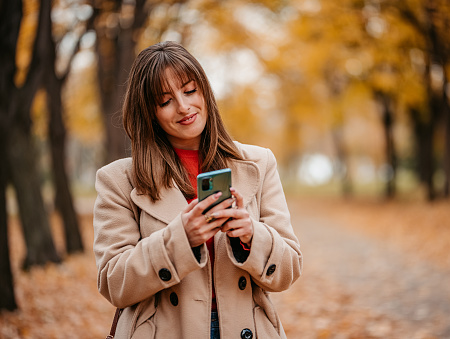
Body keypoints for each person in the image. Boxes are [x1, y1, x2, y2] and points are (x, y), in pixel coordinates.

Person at [93, 41, 302, 339]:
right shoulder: (119, 180)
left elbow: (290, 269)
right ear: (149, 113)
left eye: (189, 91)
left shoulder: (258, 163)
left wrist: (250, 235)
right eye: (165, 101)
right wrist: (181, 239)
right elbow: (113, 283)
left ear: (205, 91)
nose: (183, 107)